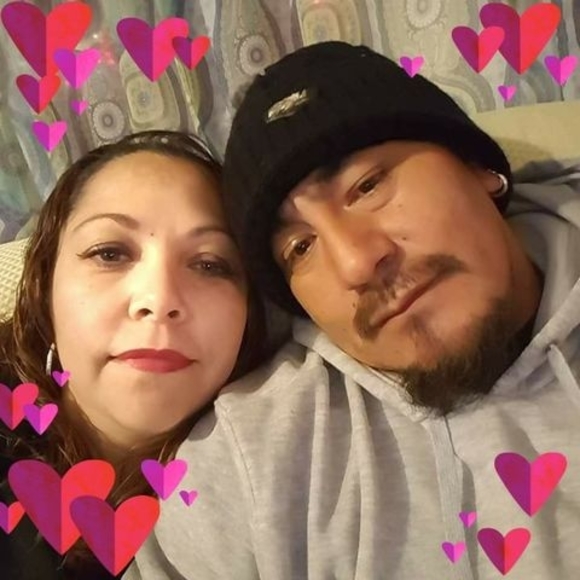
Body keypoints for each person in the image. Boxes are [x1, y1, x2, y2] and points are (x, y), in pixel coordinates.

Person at [126, 43, 580, 580]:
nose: (357, 263)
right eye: (300, 248)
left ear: (478, 166)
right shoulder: (255, 457)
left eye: (367, 186)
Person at [0, 130, 269, 580]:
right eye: (110, 253)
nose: (159, 299)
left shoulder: (279, 471)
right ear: (43, 289)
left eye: (210, 264)